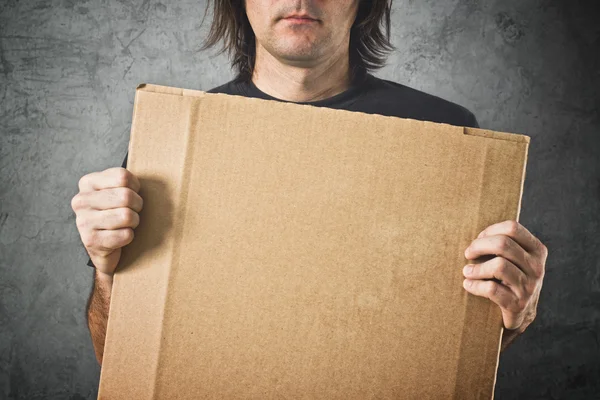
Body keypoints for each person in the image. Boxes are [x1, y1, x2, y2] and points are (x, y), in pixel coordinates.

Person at [71, 0, 548, 366]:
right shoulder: (173, 142)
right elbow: (118, 361)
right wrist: (107, 272)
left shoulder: (448, 138)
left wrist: (513, 314)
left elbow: (451, 350)